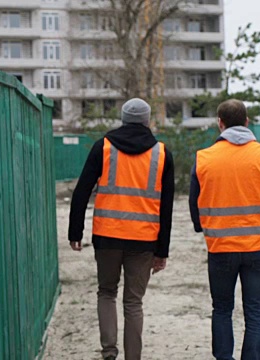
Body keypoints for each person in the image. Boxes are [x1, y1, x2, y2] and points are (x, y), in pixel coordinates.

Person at [189, 99, 260, 360]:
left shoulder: (204, 158)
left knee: (222, 309)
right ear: (247, 122)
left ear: (220, 123)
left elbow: (195, 204)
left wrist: (201, 226)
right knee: (256, 313)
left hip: (220, 249)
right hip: (257, 248)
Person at [68, 98, 175, 360]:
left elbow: (81, 191)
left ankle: (108, 352)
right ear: (147, 120)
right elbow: (167, 208)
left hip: (107, 236)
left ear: (123, 119)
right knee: (133, 302)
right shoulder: (162, 153)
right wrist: (162, 251)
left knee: (106, 292)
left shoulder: (103, 147)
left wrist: (75, 232)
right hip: (144, 240)